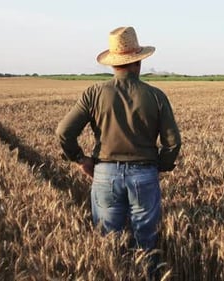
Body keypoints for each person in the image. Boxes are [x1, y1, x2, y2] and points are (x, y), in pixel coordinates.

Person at [56, 26, 181, 275]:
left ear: (113, 63)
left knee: (108, 243)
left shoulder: (94, 93)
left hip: (104, 175)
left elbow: (63, 132)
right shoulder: (156, 96)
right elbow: (173, 142)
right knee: (146, 245)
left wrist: (80, 159)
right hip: (145, 175)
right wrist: (161, 166)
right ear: (138, 61)